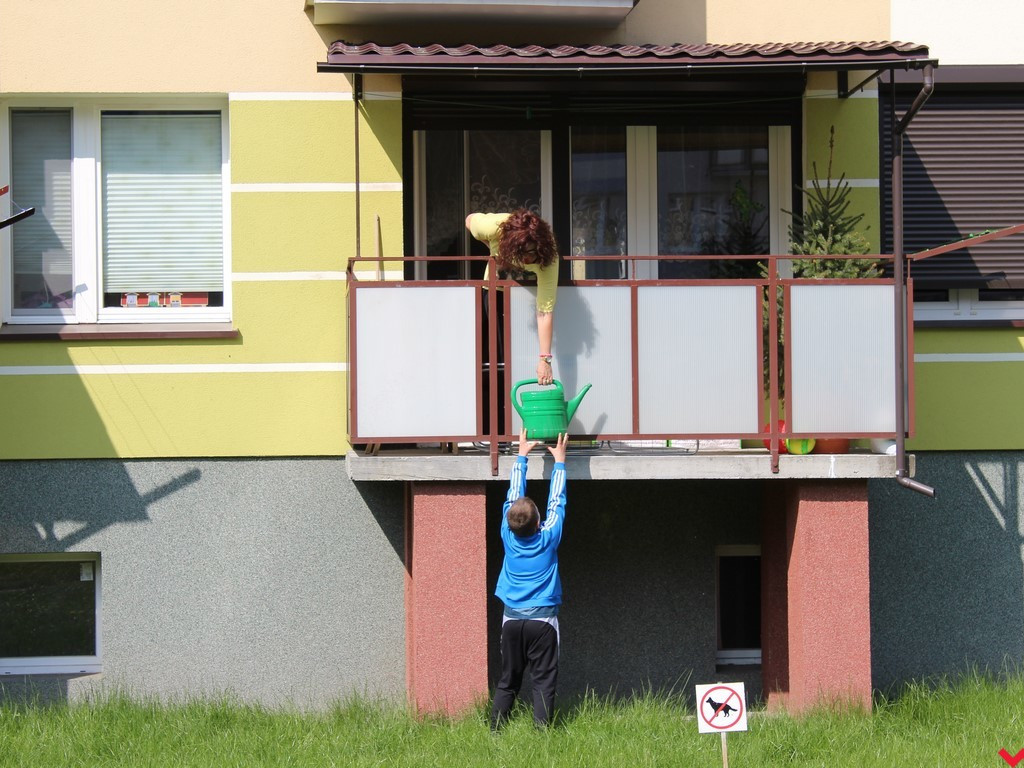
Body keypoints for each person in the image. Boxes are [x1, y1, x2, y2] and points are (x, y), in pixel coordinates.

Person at [491, 429, 569, 730]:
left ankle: (496, 730)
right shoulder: (549, 538)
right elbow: (557, 502)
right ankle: (542, 734)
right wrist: (559, 463)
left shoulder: (506, 534)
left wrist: (521, 456)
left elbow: (513, 496)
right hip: (543, 623)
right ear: (539, 523)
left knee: (508, 679)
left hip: (511, 622)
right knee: (543, 681)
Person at [466, 210, 559, 386]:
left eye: (532, 253)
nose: (527, 259)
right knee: (494, 358)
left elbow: (545, 310)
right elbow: (469, 220)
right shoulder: (494, 227)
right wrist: (492, 247)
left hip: (527, 299)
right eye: (522, 253)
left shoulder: (548, 255)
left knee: (518, 357)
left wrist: (545, 360)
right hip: (494, 294)